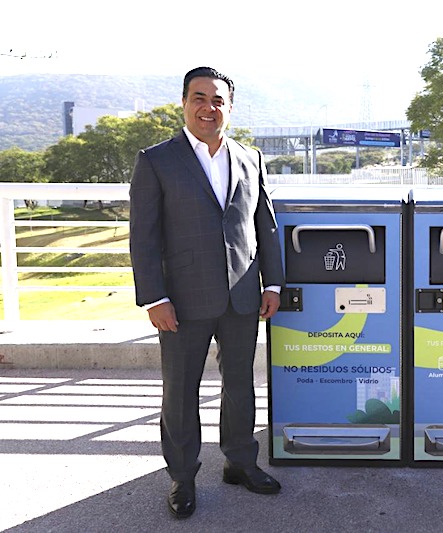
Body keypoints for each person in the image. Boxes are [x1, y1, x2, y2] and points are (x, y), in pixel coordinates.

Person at [129, 66, 285, 519]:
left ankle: (240, 462)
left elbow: (264, 225)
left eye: (217, 100)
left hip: (241, 295)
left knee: (240, 385)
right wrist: (154, 298)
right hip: (181, 299)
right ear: (184, 102)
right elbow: (144, 236)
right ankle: (182, 477)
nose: (208, 107)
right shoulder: (156, 160)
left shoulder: (249, 157)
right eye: (199, 98)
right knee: (181, 392)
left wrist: (272, 282)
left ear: (229, 109)